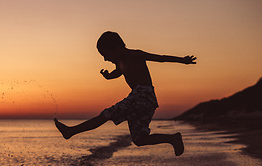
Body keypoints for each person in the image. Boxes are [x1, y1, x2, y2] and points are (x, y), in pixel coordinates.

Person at [54, 31, 196, 156]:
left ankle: (71, 131)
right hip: (145, 100)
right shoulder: (120, 61)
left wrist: (182, 60)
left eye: (106, 55)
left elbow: (161, 58)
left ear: (117, 48)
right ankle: (172, 138)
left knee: (106, 114)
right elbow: (118, 72)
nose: (105, 59)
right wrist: (109, 76)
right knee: (139, 139)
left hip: (142, 95)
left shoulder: (135, 55)